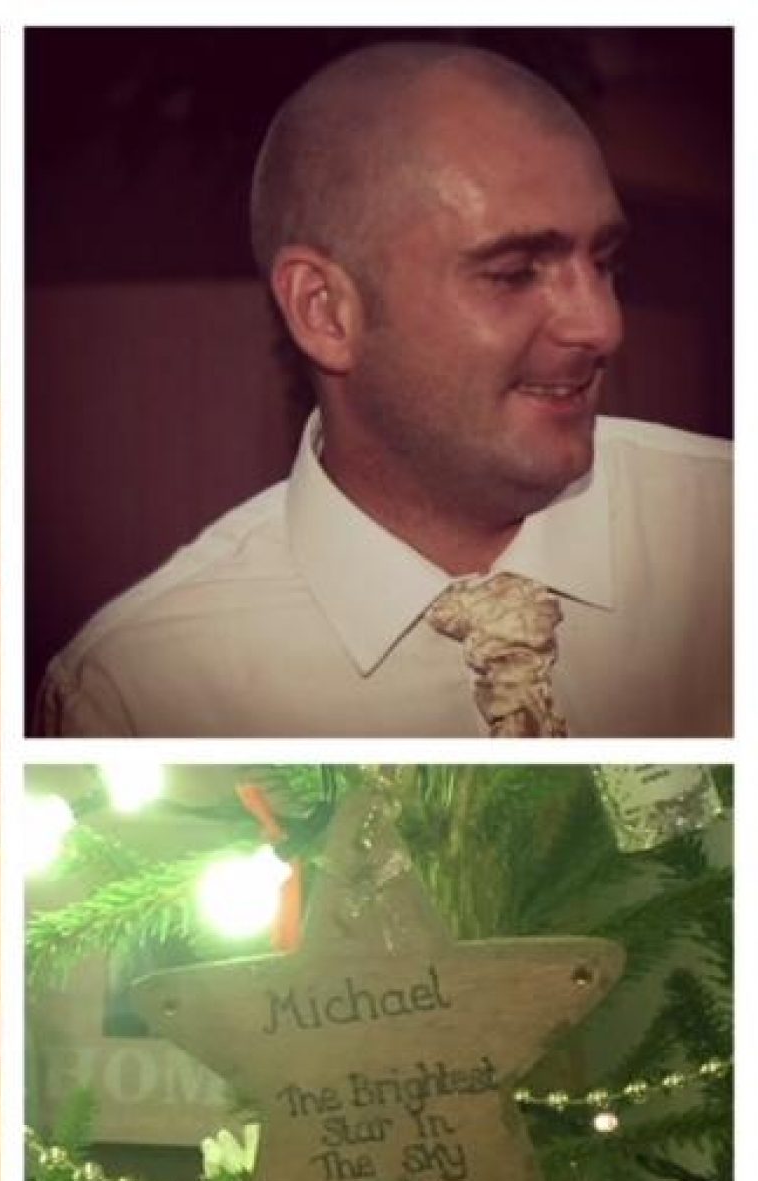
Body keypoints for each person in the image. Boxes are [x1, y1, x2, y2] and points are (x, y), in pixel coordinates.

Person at [37, 43, 731, 738]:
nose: (601, 325)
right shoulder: (143, 691)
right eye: (514, 273)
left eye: (605, 262)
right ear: (325, 312)